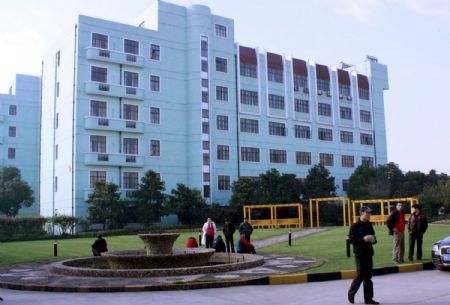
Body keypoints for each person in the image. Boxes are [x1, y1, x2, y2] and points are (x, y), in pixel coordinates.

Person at [348, 206, 379, 305]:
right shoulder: (354, 226)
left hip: (369, 253)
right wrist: (363, 239)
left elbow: (374, 238)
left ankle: (368, 299)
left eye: (370, 213)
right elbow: (351, 240)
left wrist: (373, 240)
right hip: (359, 254)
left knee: (368, 277)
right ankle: (351, 294)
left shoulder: (369, 225)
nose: (369, 215)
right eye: (367, 213)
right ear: (362, 213)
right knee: (360, 275)